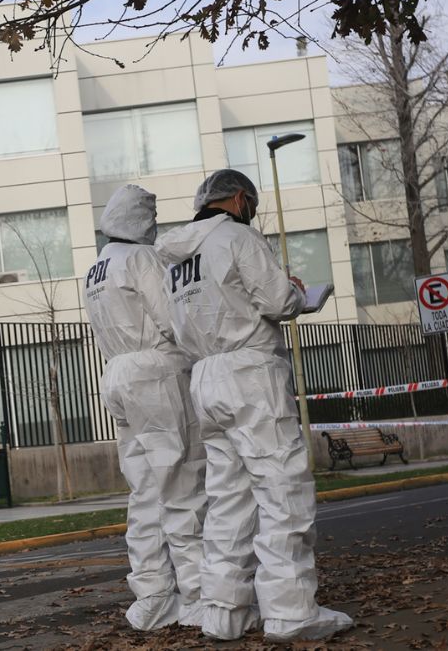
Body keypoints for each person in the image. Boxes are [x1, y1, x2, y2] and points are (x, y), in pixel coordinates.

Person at [155, 169, 353, 642]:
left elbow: (176, 324)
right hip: (250, 371)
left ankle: (224, 611)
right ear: (240, 199)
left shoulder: (177, 261)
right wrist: (293, 290)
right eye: (252, 203)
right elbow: (279, 301)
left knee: (228, 498)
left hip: (205, 375)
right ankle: (291, 612)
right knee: (281, 489)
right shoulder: (238, 238)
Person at [84, 184, 207, 631]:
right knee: (182, 482)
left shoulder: (96, 267)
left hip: (117, 375)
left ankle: (153, 595)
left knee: (144, 492)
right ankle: (198, 595)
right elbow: (171, 318)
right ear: (142, 220)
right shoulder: (140, 259)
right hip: (155, 372)